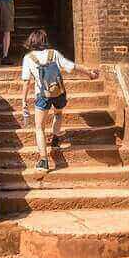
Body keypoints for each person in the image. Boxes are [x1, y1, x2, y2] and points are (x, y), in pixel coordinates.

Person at [19, 30, 100, 173]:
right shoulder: (53, 53)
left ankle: (43, 161)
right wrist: (89, 73)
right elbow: (72, 66)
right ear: (44, 40)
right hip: (58, 92)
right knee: (58, 114)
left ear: (31, 41)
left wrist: (23, 101)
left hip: (43, 95)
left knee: (39, 127)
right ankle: (56, 138)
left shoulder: (28, 58)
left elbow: (26, 81)